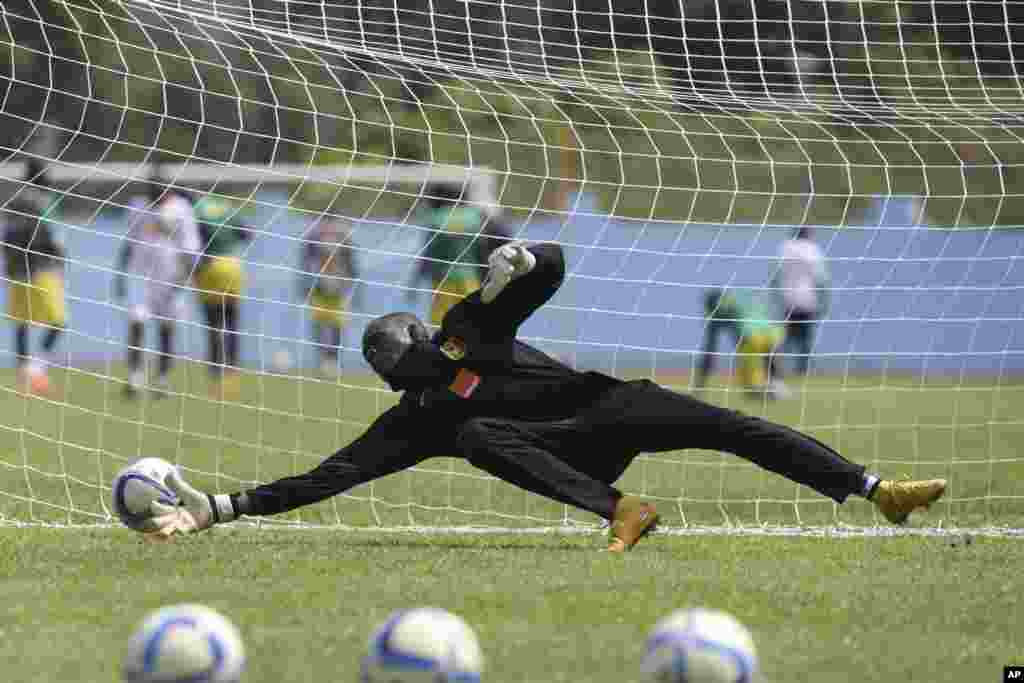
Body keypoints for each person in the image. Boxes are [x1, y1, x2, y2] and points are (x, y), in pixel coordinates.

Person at [142, 242, 947, 551]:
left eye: (414, 357)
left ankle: (874, 489)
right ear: (400, 374)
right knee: (479, 437)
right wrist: (223, 506)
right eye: (404, 368)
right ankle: (620, 508)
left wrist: (526, 254)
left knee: (731, 424)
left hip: (604, 406)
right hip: (570, 456)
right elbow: (329, 476)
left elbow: (550, 273)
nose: (415, 370)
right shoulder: (414, 421)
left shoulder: (466, 324)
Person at [114, 176, 200, 397]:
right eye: (152, 193)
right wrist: (120, 274)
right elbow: (129, 241)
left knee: (167, 327)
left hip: (171, 277)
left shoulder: (182, 210)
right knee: (136, 321)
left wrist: (186, 277)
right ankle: (135, 377)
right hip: (140, 276)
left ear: (169, 192)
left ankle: (162, 378)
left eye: (160, 193)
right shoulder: (137, 207)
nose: (156, 198)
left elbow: (191, 248)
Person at [2, 160, 66, 396]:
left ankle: (23, 378)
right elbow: (55, 239)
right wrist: (61, 264)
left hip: (16, 271)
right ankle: (36, 369)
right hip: (42, 269)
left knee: (21, 324)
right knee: (58, 322)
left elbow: (5, 236)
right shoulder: (45, 202)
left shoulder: (13, 201)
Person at [192, 194, 252, 398]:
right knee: (232, 324)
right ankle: (232, 381)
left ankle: (215, 382)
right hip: (233, 266)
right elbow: (246, 233)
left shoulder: (198, 207)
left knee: (214, 326)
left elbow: (195, 236)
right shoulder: (227, 207)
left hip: (209, 267)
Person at [407, 183, 488, 326]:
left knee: (442, 322)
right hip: (470, 275)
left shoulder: (436, 218)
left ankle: (444, 347)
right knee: (473, 319)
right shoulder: (475, 216)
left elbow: (428, 253)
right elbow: (483, 248)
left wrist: (414, 282)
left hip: (443, 277)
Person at [694, 288, 789, 399]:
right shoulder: (741, 298)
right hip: (774, 332)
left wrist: (700, 384)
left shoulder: (717, 309)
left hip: (751, 336)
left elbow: (709, 351)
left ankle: (765, 390)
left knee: (752, 384)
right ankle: (777, 386)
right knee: (770, 358)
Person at [298, 217, 360, 376]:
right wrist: (306, 285)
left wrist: (351, 284)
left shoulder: (344, 239)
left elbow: (351, 264)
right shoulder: (313, 239)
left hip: (338, 288)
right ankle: (323, 359)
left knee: (336, 324)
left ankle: (332, 359)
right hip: (319, 288)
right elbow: (306, 263)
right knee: (319, 323)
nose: (328, 226)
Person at [776, 227, 829, 375]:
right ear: (808, 234)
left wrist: (776, 299)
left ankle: (776, 365)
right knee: (805, 337)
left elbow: (776, 275)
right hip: (807, 299)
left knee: (787, 336)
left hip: (788, 299)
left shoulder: (785, 248)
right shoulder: (812, 250)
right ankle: (802, 369)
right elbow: (822, 279)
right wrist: (825, 301)